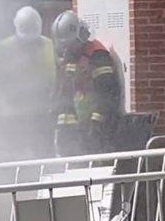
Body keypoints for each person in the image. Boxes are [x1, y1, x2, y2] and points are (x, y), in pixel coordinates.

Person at [50, 10, 121, 156]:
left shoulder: (98, 56)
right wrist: (63, 128)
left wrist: (96, 125)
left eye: (70, 44)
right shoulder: (71, 56)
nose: (67, 49)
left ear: (80, 37)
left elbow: (107, 92)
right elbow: (66, 91)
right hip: (79, 128)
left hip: (98, 128)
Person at [0, 6, 56, 157]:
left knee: (42, 153)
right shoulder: (4, 48)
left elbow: (55, 77)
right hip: (14, 114)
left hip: (41, 113)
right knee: (15, 155)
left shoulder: (49, 45)